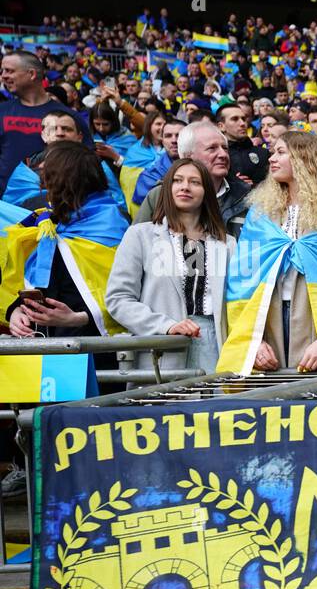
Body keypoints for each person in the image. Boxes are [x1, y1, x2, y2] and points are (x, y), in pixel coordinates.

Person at [217, 130, 317, 373]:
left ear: (305, 159)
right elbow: (243, 278)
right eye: (273, 152)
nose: (271, 158)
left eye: (281, 152)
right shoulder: (260, 214)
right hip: (266, 316)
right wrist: (253, 341)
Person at [106, 158, 236, 372]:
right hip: (163, 348)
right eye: (177, 180)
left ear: (207, 192)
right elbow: (118, 299)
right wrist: (165, 326)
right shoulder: (140, 235)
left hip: (216, 346)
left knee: (215, 405)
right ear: (167, 188)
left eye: (195, 182)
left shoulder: (228, 244)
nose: (185, 186)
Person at [4, 141, 127, 341]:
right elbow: (39, 284)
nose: (43, 185)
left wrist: (77, 319)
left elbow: (128, 297)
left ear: (66, 181)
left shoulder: (113, 225)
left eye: (48, 177)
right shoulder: (49, 224)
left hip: (97, 353)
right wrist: (17, 311)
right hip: (49, 352)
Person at [134, 122, 250, 234]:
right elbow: (137, 244)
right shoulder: (160, 195)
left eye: (225, 148)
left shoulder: (247, 196)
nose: (223, 155)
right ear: (187, 156)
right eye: (212, 148)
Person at [0, 51, 88, 196]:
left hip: (54, 204)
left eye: (9, 70)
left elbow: (85, 160)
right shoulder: (2, 111)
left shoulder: (69, 117)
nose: (3, 76)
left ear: (32, 74)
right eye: (2, 71)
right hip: (5, 208)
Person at [216, 101, 270, 186]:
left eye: (244, 119)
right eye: (235, 119)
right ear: (221, 126)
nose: (242, 123)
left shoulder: (263, 153)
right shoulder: (215, 156)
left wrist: (254, 186)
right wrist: (231, 184)